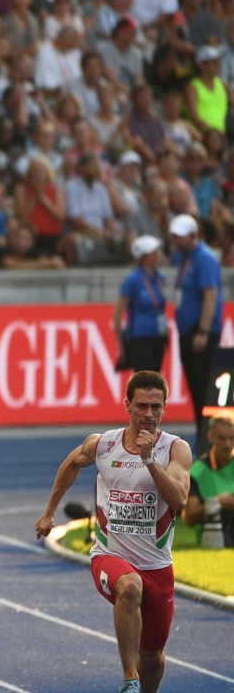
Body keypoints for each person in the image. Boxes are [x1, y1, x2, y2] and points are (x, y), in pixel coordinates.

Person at [36, 371, 192, 693]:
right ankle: (128, 678)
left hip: (157, 566)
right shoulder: (103, 444)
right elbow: (72, 463)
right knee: (129, 586)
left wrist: (149, 460)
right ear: (127, 406)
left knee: (153, 656)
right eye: (141, 406)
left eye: (156, 406)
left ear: (164, 409)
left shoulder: (175, 450)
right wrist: (50, 511)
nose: (148, 414)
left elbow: (179, 499)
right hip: (110, 556)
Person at [169, 213, 223, 442]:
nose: (176, 241)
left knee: (204, 388)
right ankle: (204, 436)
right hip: (188, 332)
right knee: (196, 387)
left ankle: (211, 439)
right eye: (174, 236)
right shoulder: (186, 258)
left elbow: (210, 294)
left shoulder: (204, 258)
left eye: (180, 237)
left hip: (200, 332)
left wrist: (203, 330)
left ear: (193, 236)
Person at [115, 236, 168, 374]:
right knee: (144, 378)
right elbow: (117, 313)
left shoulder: (159, 277)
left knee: (155, 376)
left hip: (158, 335)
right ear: (143, 257)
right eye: (153, 253)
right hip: (140, 336)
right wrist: (121, 344)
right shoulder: (132, 280)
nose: (157, 256)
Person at [183, 416, 234, 549]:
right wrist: (217, 503)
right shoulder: (198, 471)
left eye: (232, 438)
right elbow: (189, 517)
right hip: (213, 537)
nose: (228, 444)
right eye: (222, 439)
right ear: (211, 437)